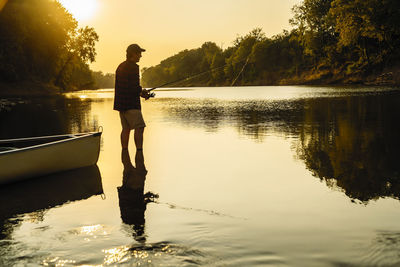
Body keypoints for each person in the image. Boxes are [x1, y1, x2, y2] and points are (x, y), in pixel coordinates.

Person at [114, 43, 151, 150]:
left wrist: (141, 92)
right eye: (139, 53)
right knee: (140, 127)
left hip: (121, 105)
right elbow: (134, 87)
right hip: (131, 105)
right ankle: (139, 151)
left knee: (126, 129)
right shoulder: (133, 67)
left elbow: (127, 86)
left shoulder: (121, 66)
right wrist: (142, 92)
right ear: (133, 54)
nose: (140, 55)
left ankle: (124, 152)